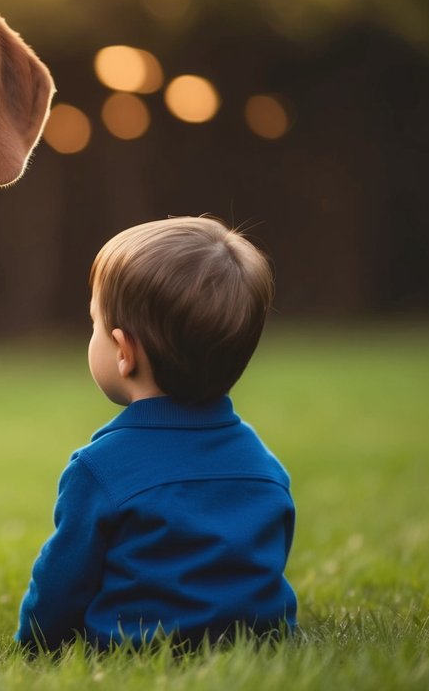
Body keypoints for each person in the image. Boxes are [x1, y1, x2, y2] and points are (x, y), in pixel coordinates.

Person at [16, 216, 298, 650]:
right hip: (259, 643)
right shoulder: (265, 467)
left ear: (124, 352)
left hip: (132, 649)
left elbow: (61, 583)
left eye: (94, 325)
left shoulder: (99, 470)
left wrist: (32, 643)